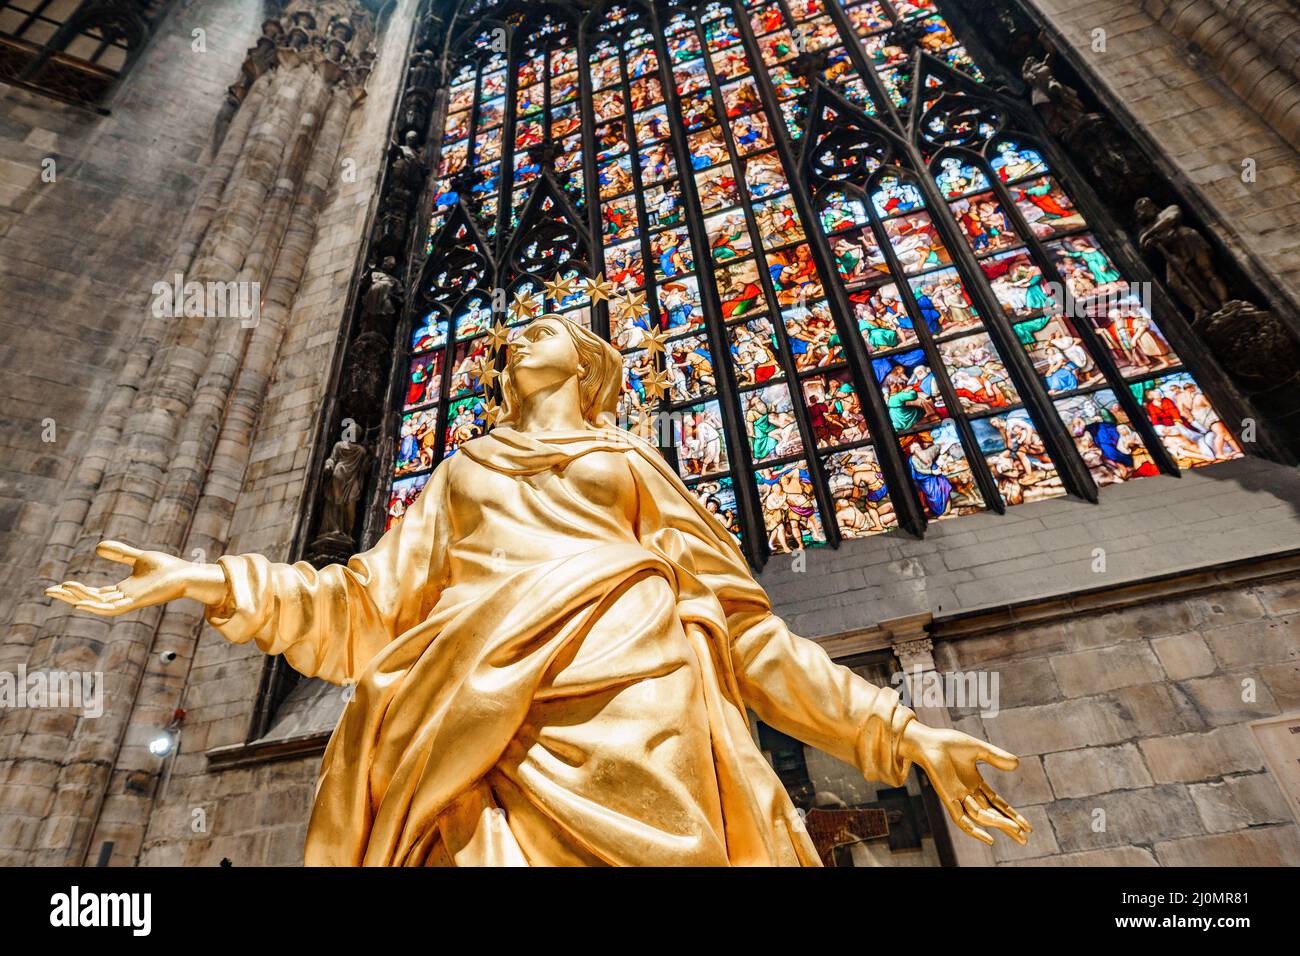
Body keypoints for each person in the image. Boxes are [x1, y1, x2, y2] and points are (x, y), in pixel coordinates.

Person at [47, 314, 1029, 867]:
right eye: (512, 336)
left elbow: (751, 638)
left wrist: (901, 734)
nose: (521, 335)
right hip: (474, 742)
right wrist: (216, 579)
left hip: (643, 721)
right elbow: (364, 604)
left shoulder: (632, 461)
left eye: (546, 328)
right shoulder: (464, 471)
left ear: (590, 367)